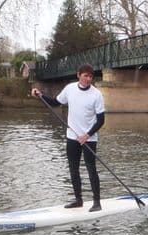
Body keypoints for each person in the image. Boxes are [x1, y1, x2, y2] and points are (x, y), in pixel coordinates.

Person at [31, 63, 105, 211]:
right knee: (73, 168)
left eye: (90, 76)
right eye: (85, 76)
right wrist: (40, 95)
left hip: (89, 139)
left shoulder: (96, 94)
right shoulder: (70, 89)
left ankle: (97, 202)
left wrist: (87, 135)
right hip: (72, 137)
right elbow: (55, 102)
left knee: (91, 169)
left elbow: (101, 120)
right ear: (79, 75)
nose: (88, 79)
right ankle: (78, 200)